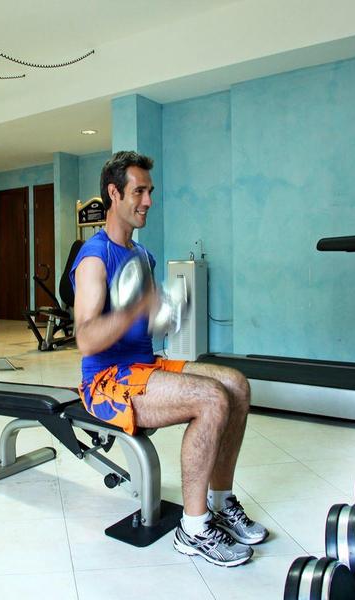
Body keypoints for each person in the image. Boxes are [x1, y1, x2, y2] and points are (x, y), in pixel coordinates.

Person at [70, 150, 267, 567]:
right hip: (105, 382)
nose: (148, 200)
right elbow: (86, 339)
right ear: (113, 193)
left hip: (143, 365)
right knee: (211, 398)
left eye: (150, 191)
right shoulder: (94, 257)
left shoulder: (143, 256)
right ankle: (193, 531)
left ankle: (220, 502)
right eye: (139, 191)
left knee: (235, 385)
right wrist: (134, 310)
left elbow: (148, 323)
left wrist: (166, 313)